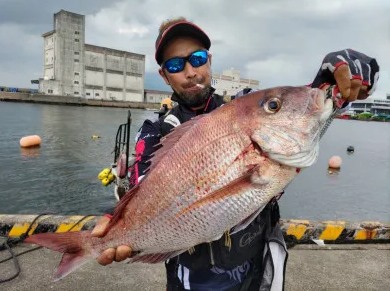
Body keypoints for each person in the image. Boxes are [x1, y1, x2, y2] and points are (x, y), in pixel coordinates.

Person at [91, 17, 380, 290]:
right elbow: (143, 191)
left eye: (198, 59)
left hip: (257, 268)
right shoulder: (154, 131)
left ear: (210, 60)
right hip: (190, 279)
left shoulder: (243, 106)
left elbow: (308, 106)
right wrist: (114, 222)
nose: (191, 71)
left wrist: (332, 79)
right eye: (177, 64)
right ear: (164, 75)